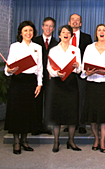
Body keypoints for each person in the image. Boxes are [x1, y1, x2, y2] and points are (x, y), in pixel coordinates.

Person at [81, 24, 105, 153]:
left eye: (104, 30)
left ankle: (103, 141)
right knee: (93, 114)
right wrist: (87, 72)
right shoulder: (89, 47)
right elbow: (83, 65)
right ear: (96, 33)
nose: (102, 32)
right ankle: (96, 138)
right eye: (99, 30)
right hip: (92, 84)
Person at [4, 20, 42, 154]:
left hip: (31, 81)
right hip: (18, 81)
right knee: (16, 111)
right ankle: (16, 141)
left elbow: (39, 68)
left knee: (27, 111)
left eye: (30, 30)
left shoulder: (38, 47)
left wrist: (39, 83)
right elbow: (7, 68)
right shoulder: (15, 46)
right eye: (25, 30)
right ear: (21, 32)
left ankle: (25, 140)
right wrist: (10, 70)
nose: (28, 33)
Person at [46, 25, 82, 152]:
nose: (66, 34)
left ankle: (71, 141)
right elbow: (49, 68)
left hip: (71, 83)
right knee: (57, 114)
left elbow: (79, 69)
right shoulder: (53, 50)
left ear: (71, 36)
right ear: (59, 35)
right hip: (57, 83)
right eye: (63, 32)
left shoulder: (76, 50)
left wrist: (77, 66)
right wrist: (57, 73)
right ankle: (56, 141)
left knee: (72, 113)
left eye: (68, 32)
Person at [66, 13, 92, 134]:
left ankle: (81, 124)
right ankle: (70, 123)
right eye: (73, 20)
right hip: (67, 74)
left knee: (82, 99)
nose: (75, 22)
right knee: (69, 99)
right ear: (69, 23)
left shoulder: (87, 38)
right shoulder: (64, 37)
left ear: (80, 23)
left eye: (77, 20)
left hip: (82, 73)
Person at [32, 17, 58, 135]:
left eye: (51, 26)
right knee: (37, 102)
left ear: (53, 28)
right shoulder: (34, 41)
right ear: (42, 27)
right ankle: (36, 126)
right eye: (46, 25)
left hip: (50, 78)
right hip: (37, 76)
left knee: (49, 102)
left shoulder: (56, 43)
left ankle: (47, 126)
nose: (48, 28)